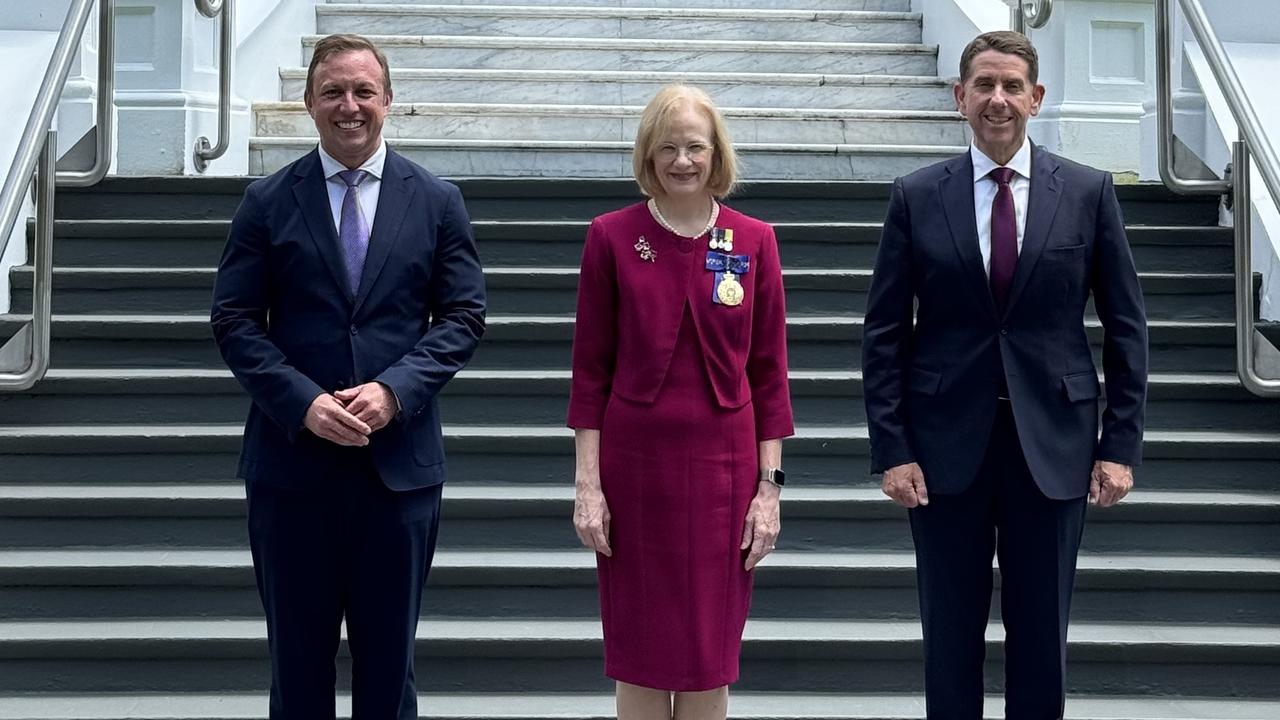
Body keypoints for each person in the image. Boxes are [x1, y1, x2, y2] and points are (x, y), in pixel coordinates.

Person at [861, 31, 1148, 718]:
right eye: (984, 85)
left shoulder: (1087, 193)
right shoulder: (916, 196)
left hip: (1053, 447)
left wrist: (1120, 446)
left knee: (1042, 641)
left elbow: (1127, 328)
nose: (998, 99)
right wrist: (893, 448)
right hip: (943, 451)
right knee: (949, 639)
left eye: (1012, 85)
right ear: (960, 98)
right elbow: (884, 333)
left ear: (1036, 98)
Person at [210, 33, 486, 719]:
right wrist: (300, 403)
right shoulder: (268, 200)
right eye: (333, 91)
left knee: (390, 676)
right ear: (308, 103)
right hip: (292, 472)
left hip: (398, 475)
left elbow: (463, 315)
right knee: (297, 674)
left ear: (388, 100)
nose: (350, 105)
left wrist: (396, 390)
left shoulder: (437, 200)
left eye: (364, 91)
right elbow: (234, 319)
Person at [568, 84, 794, 719]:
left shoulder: (755, 241)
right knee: (640, 651)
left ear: (716, 152)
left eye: (695, 146)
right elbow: (589, 373)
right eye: (667, 146)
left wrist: (768, 490)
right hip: (634, 474)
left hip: (725, 475)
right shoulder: (612, 237)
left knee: (706, 656)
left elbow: (770, 374)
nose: (682, 161)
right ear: (648, 153)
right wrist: (589, 486)